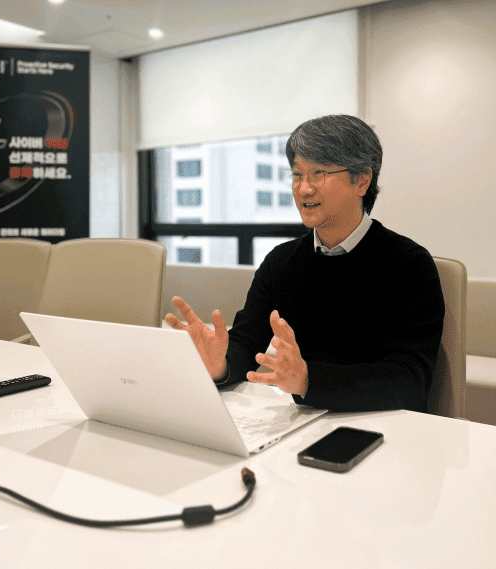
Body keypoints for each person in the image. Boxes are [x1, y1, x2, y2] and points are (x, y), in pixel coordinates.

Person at [166, 114, 445, 413]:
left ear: (362, 180)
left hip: (386, 426)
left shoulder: (409, 264)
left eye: (319, 173)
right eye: (297, 175)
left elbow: (409, 380)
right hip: (304, 419)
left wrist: (308, 380)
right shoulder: (282, 261)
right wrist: (220, 364)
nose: (303, 189)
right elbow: (247, 341)